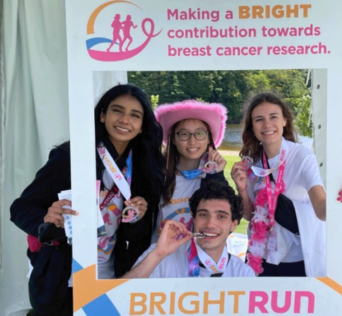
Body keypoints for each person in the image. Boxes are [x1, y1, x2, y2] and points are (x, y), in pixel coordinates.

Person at [10, 84, 165, 315]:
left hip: (108, 274)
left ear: (142, 126)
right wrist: (47, 217)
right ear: (102, 115)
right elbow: (20, 209)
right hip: (64, 276)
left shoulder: (144, 168)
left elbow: (137, 235)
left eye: (135, 115)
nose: (125, 120)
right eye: (117, 111)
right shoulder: (70, 157)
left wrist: (136, 218)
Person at [231, 92, 342, 277]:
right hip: (259, 256)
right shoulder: (252, 163)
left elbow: (321, 210)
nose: (267, 124)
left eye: (273, 117)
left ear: (284, 121)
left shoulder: (302, 157)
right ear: (252, 127)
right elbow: (249, 215)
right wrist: (241, 188)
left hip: (295, 259)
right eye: (259, 119)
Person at [122, 180, 255, 278]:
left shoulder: (243, 274)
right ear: (194, 219)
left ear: (233, 224)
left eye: (221, 216)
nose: (210, 224)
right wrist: (157, 255)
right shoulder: (160, 255)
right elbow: (117, 298)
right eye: (203, 214)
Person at [153, 100, 228, 241]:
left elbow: (223, 220)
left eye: (199, 134)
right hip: (163, 259)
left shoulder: (213, 176)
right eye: (184, 134)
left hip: (200, 260)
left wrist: (216, 175)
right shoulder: (159, 176)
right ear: (173, 139)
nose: (192, 141)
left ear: (208, 138)